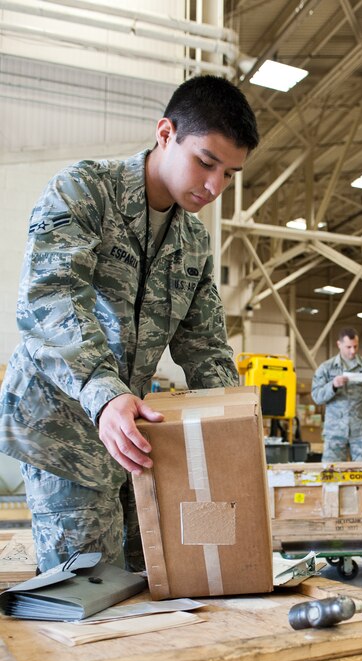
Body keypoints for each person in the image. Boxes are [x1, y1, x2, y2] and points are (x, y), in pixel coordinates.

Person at [0, 75, 259, 573]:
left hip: (136, 435)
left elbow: (205, 346)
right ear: (165, 133)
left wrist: (236, 428)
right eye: (206, 163)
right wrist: (104, 393)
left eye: (230, 174)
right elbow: (50, 298)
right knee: (90, 587)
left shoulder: (193, 242)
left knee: (155, 576)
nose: (215, 187)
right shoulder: (85, 192)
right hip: (64, 430)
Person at [311, 326, 362, 462]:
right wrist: (332, 386)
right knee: (332, 472)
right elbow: (316, 397)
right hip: (334, 432)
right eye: (348, 347)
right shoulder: (326, 368)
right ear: (339, 344)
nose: (353, 351)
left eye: (355, 346)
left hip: (360, 432)